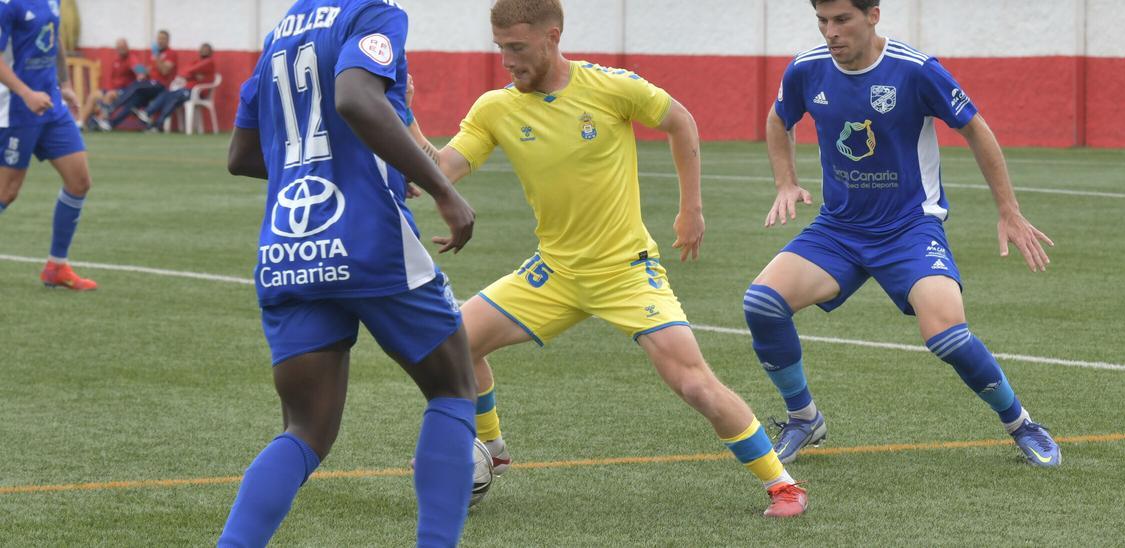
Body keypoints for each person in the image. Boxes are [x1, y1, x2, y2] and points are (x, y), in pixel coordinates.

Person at [416, 0, 808, 518]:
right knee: (452, 345)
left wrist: (691, 209)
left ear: (552, 37)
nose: (507, 61)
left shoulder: (611, 87)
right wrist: (407, 117)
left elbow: (681, 121)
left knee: (692, 381)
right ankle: (492, 447)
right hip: (553, 272)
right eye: (500, 49)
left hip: (626, 271)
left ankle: (782, 486)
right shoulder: (496, 108)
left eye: (517, 48)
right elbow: (441, 169)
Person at [750, 0, 1061, 467]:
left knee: (946, 334)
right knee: (762, 304)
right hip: (839, 228)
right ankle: (804, 418)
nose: (830, 32)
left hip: (909, 229)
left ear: (873, 15)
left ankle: (1022, 424)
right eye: (822, 21)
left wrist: (1009, 211)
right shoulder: (806, 69)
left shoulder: (916, 71)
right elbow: (780, 119)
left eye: (842, 20)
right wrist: (786, 182)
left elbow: (975, 128)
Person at [219, 0, 479, 545]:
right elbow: (356, 98)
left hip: (291, 246)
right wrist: (443, 190)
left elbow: (241, 154)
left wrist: (318, 161)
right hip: (368, 237)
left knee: (305, 430)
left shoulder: (281, 35)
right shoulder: (373, 12)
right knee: (453, 387)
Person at [0, 0, 98, 291]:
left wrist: (65, 83)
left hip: (51, 104)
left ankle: (57, 266)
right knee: (7, 191)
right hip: (16, 107)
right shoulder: (7, 4)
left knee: (79, 182)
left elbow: (53, 41)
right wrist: (26, 93)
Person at [107, 29, 174, 128]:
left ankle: (112, 107)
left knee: (136, 85)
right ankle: (110, 124)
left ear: (168, 41)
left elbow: (164, 71)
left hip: (160, 86)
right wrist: (143, 71)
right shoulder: (154, 55)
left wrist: (157, 57)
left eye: (163, 39)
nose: (160, 41)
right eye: (159, 38)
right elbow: (149, 70)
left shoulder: (170, 53)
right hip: (150, 86)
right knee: (132, 102)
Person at [144, 42, 216, 132]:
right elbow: (183, 71)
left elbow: (189, 70)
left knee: (174, 99)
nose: (203, 51)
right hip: (187, 89)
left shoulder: (209, 62)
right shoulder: (197, 61)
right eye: (202, 49)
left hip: (197, 92)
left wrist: (189, 74)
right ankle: (147, 114)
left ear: (210, 52)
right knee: (167, 94)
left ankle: (157, 125)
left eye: (206, 50)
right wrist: (192, 75)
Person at [78, 38, 138, 130]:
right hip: (113, 90)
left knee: (110, 95)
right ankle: (82, 122)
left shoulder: (131, 58)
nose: (121, 49)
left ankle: (100, 121)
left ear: (127, 47)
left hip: (126, 91)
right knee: (94, 95)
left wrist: (141, 74)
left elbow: (140, 70)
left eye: (123, 47)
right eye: (119, 47)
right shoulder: (116, 60)